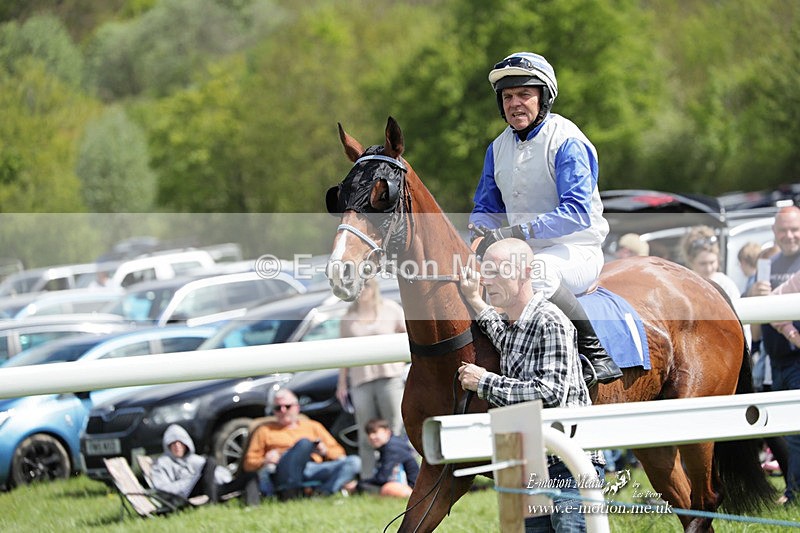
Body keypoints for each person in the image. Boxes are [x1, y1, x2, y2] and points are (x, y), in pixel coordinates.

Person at [468, 51, 621, 385]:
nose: (515, 104)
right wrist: (480, 234)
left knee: (539, 275)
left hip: (576, 249)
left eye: (524, 94)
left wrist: (515, 233)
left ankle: (596, 354)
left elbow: (577, 213)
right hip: (522, 252)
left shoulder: (567, 140)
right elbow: (486, 208)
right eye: (507, 97)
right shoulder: (496, 148)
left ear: (544, 97)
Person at [457, 238, 604, 532]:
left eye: (498, 271)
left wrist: (483, 382)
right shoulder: (514, 324)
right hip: (528, 461)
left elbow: (548, 393)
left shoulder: (550, 321)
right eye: (486, 271)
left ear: (525, 273)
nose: (488, 279)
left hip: (568, 464)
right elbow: (504, 336)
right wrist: (475, 300)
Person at [749, 206, 800, 505]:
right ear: (774, 232)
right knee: (780, 429)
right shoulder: (768, 263)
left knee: (794, 431)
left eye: (794, 229)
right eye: (783, 230)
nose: (790, 235)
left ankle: (793, 494)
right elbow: (757, 312)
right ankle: (792, 491)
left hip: (796, 359)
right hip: (773, 359)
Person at [337, 278, 406, 479]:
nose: (363, 290)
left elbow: (408, 338)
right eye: (358, 286)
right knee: (366, 431)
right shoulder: (347, 319)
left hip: (390, 377)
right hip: (361, 381)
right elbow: (342, 353)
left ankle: (402, 475)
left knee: (395, 428)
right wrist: (342, 382)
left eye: (366, 285)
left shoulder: (391, 309)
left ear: (374, 287)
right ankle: (368, 479)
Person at [242, 388, 361, 501]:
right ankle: (290, 492)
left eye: (287, 406)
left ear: (297, 407)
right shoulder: (264, 430)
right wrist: (265, 460)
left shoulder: (313, 426)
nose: (283, 411)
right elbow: (248, 464)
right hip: (282, 469)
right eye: (278, 408)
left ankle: (322, 493)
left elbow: (339, 453)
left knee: (354, 462)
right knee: (303, 443)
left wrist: (325, 451)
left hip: (312, 467)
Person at [150, 424, 260, 506]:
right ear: (167, 446)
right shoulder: (162, 463)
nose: (177, 446)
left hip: (212, 488)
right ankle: (212, 502)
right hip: (189, 494)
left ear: (186, 444)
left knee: (250, 475)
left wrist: (220, 479)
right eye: (173, 443)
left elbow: (217, 473)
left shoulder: (194, 459)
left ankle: (252, 506)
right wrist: (189, 481)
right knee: (210, 462)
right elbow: (162, 489)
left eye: (180, 443)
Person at [358, 418, 419, 497]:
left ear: (387, 432)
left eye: (375, 432)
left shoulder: (392, 448)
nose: (371, 436)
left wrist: (359, 484)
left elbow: (382, 478)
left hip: (411, 488)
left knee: (368, 487)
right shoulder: (390, 445)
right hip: (410, 485)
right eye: (369, 433)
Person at [679, 226, 741, 302]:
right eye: (702, 264)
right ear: (691, 261)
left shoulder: (726, 285)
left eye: (712, 262)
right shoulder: (684, 286)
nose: (709, 268)